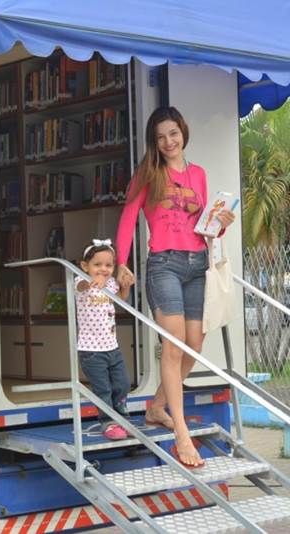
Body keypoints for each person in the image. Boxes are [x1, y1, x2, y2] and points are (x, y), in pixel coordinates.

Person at [115, 106, 236, 467]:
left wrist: (222, 223)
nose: (168, 142)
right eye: (160, 137)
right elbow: (127, 219)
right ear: (154, 142)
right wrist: (121, 262)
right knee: (173, 345)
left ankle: (157, 406)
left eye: (173, 133)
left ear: (183, 132)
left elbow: (205, 228)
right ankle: (181, 434)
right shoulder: (147, 173)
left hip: (197, 264)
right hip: (164, 264)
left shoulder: (199, 174)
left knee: (194, 343)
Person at [75, 239, 133, 440]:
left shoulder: (110, 284)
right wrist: (91, 280)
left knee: (123, 383)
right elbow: (81, 287)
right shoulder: (80, 280)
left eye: (109, 265)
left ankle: (121, 417)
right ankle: (108, 423)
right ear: (85, 266)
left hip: (112, 347)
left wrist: (126, 286)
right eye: (97, 265)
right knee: (103, 389)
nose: (103, 269)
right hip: (91, 350)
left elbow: (120, 300)